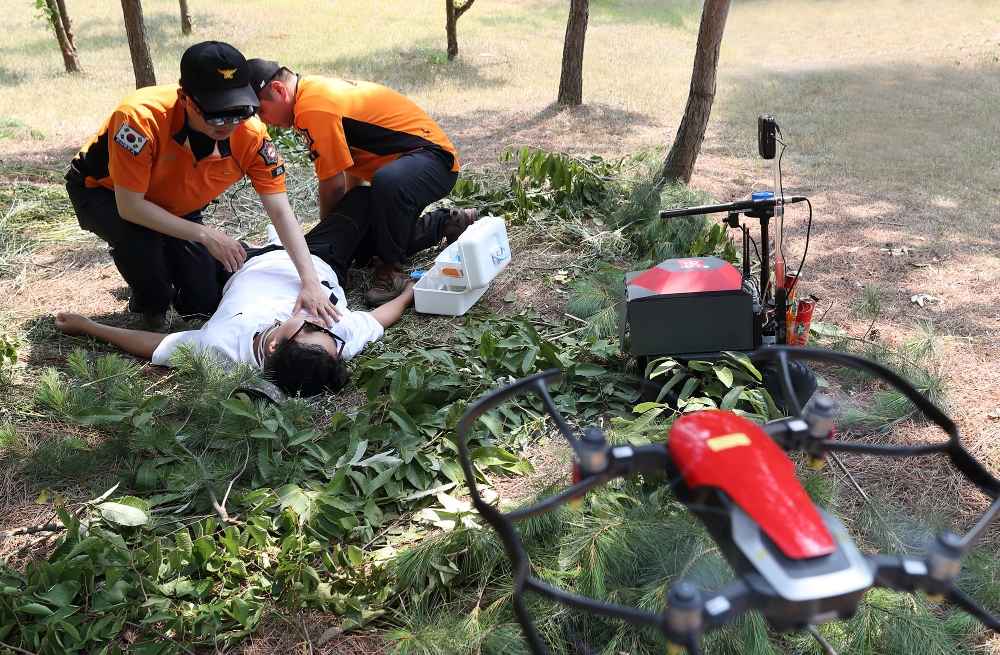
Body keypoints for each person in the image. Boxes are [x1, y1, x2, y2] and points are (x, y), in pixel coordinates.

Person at [66, 41, 339, 333]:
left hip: (175, 202)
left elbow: (281, 213)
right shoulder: (140, 120)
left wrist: (310, 282)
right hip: (104, 191)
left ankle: (162, 270)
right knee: (141, 244)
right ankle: (152, 303)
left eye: (241, 110)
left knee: (203, 302)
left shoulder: (252, 137)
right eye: (216, 113)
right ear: (184, 98)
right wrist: (205, 235)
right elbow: (130, 206)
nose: (229, 124)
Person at [55, 187, 413, 397]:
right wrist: (411, 294)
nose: (319, 322)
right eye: (326, 332)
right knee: (366, 197)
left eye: (309, 328)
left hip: (238, 266)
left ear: (274, 346)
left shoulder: (221, 348)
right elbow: (380, 317)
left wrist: (90, 327)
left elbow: (155, 346)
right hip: (317, 259)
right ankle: (427, 227)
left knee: (167, 241)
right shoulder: (335, 340)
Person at [245, 58, 477, 308]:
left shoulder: (311, 108)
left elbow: (333, 184)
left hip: (434, 159)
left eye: (260, 111)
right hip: (409, 165)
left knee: (385, 182)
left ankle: (391, 267)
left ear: (279, 90)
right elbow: (350, 164)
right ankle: (446, 222)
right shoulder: (311, 93)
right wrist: (354, 230)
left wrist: (332, 232)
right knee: (364, 250)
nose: (263, 121)